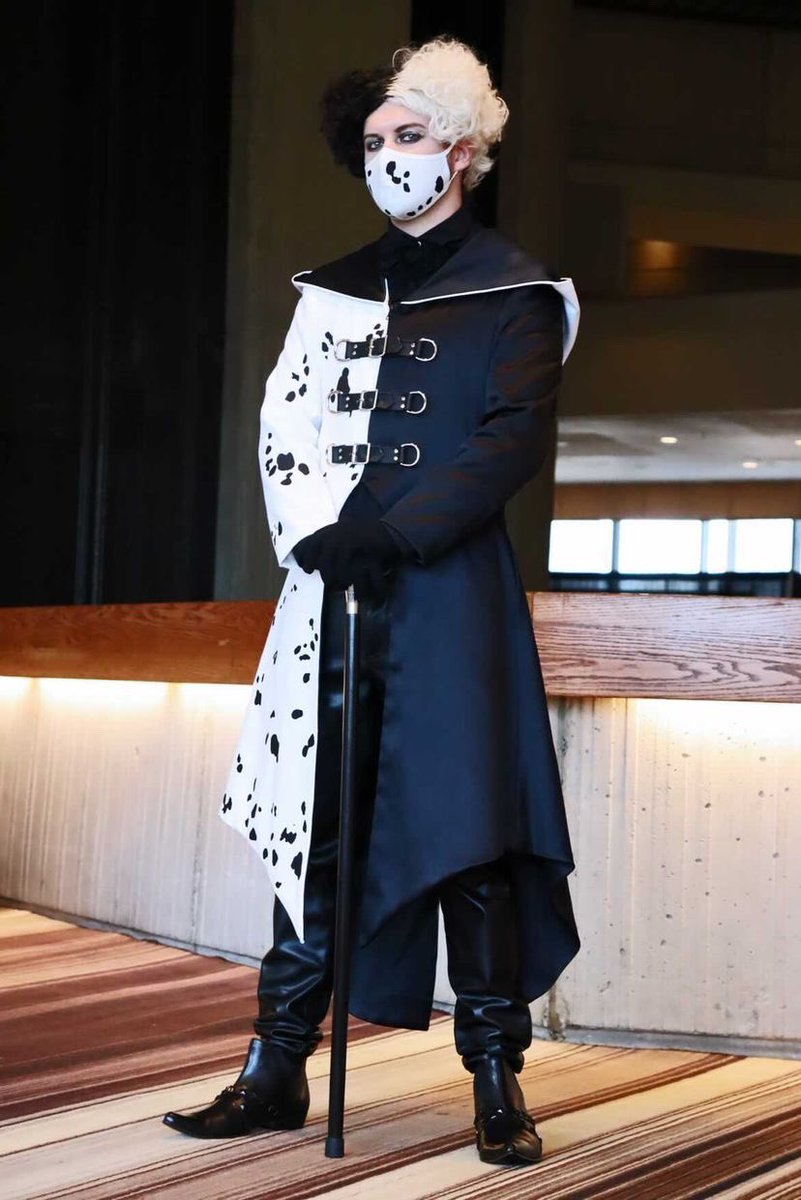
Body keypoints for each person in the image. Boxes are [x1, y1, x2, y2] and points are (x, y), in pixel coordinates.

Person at [164, 37, 580, 1168]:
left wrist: (398, 530)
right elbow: (284, 420)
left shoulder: (520, 290)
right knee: (316, 825)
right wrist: (317, 534)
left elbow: (509, 440)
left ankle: (495, 1079)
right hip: (332, 592)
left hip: (450, 599)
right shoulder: (331, 289)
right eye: (372, 141)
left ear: (463, 148)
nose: (388, 155)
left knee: (472, 835)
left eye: (409, 134)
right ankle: (274, 1069)